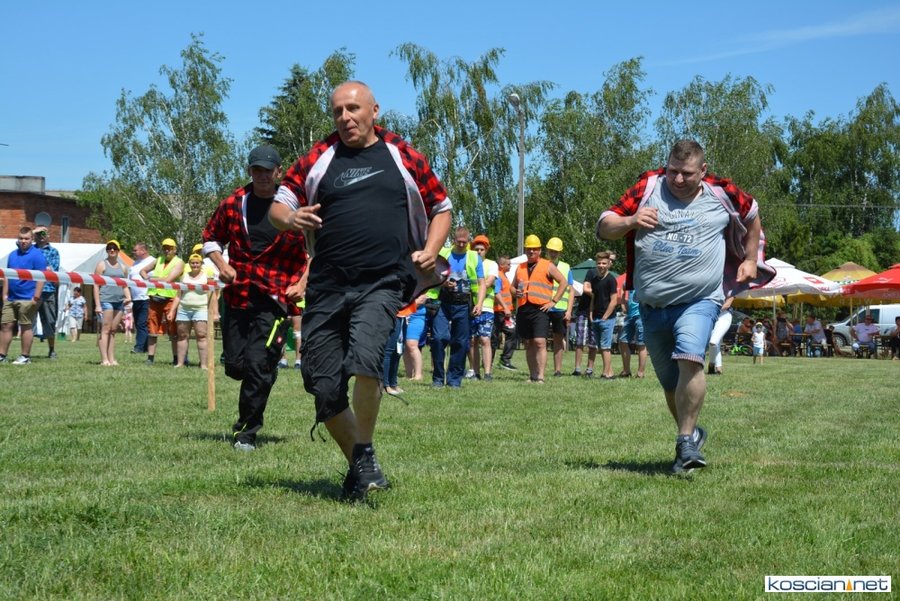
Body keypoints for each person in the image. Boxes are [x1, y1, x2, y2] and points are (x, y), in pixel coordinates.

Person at [269, 81, 452, 501]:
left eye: (353, 108)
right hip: (327, 285)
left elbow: (441, 207)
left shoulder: (402, 154)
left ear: (374, 110)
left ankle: (364, 452)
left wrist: (430, 249)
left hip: (383, 281)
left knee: (367, 360)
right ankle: (360, 464)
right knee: (321, 383)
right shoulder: (319, 157)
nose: (345, 117)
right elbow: (279, 206)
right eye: (338, 111)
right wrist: (291, 219)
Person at [598, 139, 772, 474]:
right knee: (669, 383)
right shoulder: (648, 187)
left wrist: (751, 259)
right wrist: (631, 220)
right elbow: (605, 226)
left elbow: (752, 215)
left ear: (703, 170)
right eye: (673, 171)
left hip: (701, 299)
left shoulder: (722, 193)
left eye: (687, 173)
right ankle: (690, 437)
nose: (678, 179)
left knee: (690, 358)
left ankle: (684, 442)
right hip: (651, 304)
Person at [204, 144, 308, 451]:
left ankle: (246, 433)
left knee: (257, 365)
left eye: (268, 170)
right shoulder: (233, 204)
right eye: (256, 170)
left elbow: (319, 248)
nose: (262, 176)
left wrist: (303, 283)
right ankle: (266, 369)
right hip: (238, 294)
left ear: (278, 172)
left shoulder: (294, 206)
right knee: (236, 366)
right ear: (249, 171)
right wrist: (222, 265)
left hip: (275, 297)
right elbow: (210, 238)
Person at [430, 227, 485, 388]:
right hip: (442, 302)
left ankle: (454, 380)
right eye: (458, 241)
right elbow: (430, 274)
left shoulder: (474, 257)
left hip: (463, 304)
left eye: (464, 242)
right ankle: (438, 379)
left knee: (460, 342)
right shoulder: (443, 253)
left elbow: (481, 283)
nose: (461, 244)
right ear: (453, 240)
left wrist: (479, 303)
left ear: (469, 241)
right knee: (439, 338)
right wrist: (443, 283)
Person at [511, 235, 568, 383]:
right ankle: (532, 375)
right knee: (528, 342)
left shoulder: (547, 265)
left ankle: (541, 376)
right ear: (525, 250)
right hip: (523, 308)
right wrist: (514, 292)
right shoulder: (520, 267)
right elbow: (512, 286)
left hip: (540, 309)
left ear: (540, 250)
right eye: (529, 249)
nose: (531, 251)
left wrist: (553, 301)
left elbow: (563, 282)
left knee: (540, 341)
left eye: (534, 249)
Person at [0, 227, 48, 364]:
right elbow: (7, 275)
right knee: (5, 325)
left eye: (26, 238)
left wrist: (35, 297)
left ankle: (25, 357)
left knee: (25, 326)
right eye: (21, 238)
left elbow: (42, 277)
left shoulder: (37, 255)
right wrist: (4, 295)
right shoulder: (12, 255)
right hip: (11, 298)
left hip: (28, 298)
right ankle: (2, 355)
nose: (23, 241)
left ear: (32, 239)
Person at [140, 239, 185, 365]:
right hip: (154, 298)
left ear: (175, 249)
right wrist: (146, 277)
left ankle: (176, 359)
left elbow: (168, 280)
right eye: (165, 248)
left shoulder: (179, 262)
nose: (167, 250)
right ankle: (150, 358)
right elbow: (142, 271)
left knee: (173, 330)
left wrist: (151, 279)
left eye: (169, 248)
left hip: (170, 299)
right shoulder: (158, 260)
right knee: (152, 329)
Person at [167, 253, 213, 369]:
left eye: (197, 263)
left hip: (201, 309)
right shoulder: (184, 277)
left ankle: (203, 364)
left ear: (201, 264)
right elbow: (178, 295)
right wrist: (172, 311)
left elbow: (212, 295)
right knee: (182, 336)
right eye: (193, 263)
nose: (195, 265)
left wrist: (213, 311)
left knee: (201, 336)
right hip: (184, 309)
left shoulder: (206, 277)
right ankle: (180, 363)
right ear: (189, 264)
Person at [93, 240, 131, 367]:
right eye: (109, 248)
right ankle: (104, 359)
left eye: (114, 248)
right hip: (106, 300)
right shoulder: (101, 265)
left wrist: (128, 297)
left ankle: (111, 358)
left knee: (113, 330)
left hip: (119, 301)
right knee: (105, 329)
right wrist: (97, 305)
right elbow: (96, 285)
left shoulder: (123, 267)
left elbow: (125, 285)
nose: (112, 250)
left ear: (118, 250)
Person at [583, 251, 619, 380]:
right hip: (596, 317)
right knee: (601, 347)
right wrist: (591, 313)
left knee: (605, 347)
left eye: (604, 263)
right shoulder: (594, 280)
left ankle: (606, 374)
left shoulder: (611, 280)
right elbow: (593, 298)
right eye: (599, 263)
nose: (601, 266)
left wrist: (605, 317)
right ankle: (610, 372)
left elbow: (614, 301)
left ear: (609, 264)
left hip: (607, 319)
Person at [467, 234, 497, 382]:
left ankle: (487, 373)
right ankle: (475, 372)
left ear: (486, 250)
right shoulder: (469, 262)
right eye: (476, 249)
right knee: (473, 340)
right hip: (470, 308)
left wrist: (478, 284)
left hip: (486, 308)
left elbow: (488, 282)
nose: (479, 252)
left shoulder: (492, 264)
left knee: (485, 339)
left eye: (482, 249)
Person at [545, 237, 574, 378]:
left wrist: (569, 311)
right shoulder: (542, 265)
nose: (553, 253)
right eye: (551, 251)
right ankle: (540, 368)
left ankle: (557, 370)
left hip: (560, 309)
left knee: (558, 340)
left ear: (560, 252)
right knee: (540, 340)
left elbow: (571, 290)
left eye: (556, 251)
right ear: (547, 251)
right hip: (544, 307)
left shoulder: (566, 267)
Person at [33, 226, 60, 358]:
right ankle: (25, 352)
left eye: (44, 233)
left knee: (50, 321)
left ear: (48, 235)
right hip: (31, 290)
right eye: (38, 234)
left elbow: (53, 271)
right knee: (28, 320)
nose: (41, 236)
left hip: (48, 290)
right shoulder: (30, 250)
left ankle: (52, 349)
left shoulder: (53, 251)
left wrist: (41, 269)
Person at [492, 255, 519, 371]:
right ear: (501, 265)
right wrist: (505, 308)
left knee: (510, 333)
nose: (510, 266)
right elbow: (496, 293)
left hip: (504, 311)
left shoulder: (504, 276)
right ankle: (501, 361)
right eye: (508, 264)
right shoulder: (498, 276)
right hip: (499, 311)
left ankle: (500, 360)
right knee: (498, 336)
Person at [128, 242, 155, 354]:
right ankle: (145, 347)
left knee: (142, 323)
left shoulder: (152, 262)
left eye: (135, 250)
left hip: (146, 297)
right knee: (139, 324)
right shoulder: (134, 263)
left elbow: (154, 279)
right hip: (136, 298)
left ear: (143, 250)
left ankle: (139, 347)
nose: (133, 252)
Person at [618, 288, 648, 378]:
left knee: (641, 344)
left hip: (641, 316)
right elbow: (623, 291)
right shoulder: (628, 282)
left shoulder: (642, 280)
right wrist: (623, 304)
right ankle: (626, 371)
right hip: (630, 316)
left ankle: (640, 373)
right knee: (623, 341)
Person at [570, 285, 597, 377]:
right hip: (583, 312)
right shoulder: (590, 277)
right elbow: (585, 289)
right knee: (579, 341)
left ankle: (589, 369)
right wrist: (597, 294)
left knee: (593, 343)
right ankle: (577, 369)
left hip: (597, 314)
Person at [402, 294, 429, 381]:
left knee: (412, 344)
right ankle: (409, 374)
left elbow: (422, 299)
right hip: (402, 314)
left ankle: (418, 375)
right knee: (405, 346)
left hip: (416, 315)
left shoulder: (420, 287)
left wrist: (405, 306)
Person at [707, 297, 734, 375]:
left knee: (713, 341)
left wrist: (715, 311)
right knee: (715, 343)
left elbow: (727, 304)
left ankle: (711, 364)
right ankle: (718, 368)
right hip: (711, 314)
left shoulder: (730, 291)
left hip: (725, 315)